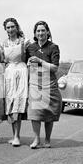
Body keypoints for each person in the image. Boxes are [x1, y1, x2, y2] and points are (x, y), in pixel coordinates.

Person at [26, 21, 62, 149]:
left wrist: (40, 61)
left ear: (47, 32)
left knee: (48, 113)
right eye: (38, 31)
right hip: (35, 82)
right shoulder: (30, 47)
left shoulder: (53, 47)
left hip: (49, 83)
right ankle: (36, 139)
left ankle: (47, 139)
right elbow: (25, 63)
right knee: (35, 112)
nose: (40, 33)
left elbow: (55, 68)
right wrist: (29, 63)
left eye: (43, 30)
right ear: (35, 33)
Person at [2, 18, 28, 147]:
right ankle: (14, 136)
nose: (10, 30)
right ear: (5, 30)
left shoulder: (24, 42)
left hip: (21, 72)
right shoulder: (4, 44)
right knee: (10, 104)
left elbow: (27, 58)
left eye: (12, 27)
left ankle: (17, 136)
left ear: (17, 27)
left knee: (18, 103)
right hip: (9, 73)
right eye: (8, 27)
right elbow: (3, 61)